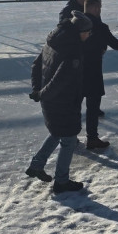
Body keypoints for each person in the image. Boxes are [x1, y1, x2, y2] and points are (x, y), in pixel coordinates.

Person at [26, 11, 92, 193]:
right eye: (88, 32)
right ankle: (61, 182)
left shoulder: (53, 39)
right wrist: (41, 94)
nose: (89, 36)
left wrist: (37, 90)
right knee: (69, 139)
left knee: (56, 132)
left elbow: (36, 65)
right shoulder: (73, 51)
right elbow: (59, 80)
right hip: (63, 102)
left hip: (49, 100)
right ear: (80, 31)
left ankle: (36, 165)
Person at [81, 0, 118, 150]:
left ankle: (70, 137)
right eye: (100, 8)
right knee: (93, 107)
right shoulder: (100, 27)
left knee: (75, 106)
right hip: (93, 71)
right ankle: (92, 138)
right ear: (95, 7)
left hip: (74, 71)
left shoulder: (75, 24)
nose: (100, 10)